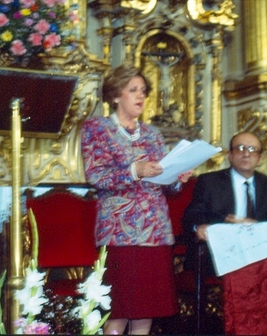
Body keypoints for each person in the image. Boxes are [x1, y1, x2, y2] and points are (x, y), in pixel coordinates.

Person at [80, 64, 191, 335]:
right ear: (115, 95)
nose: (140, 96)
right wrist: (134, 171)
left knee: (146, 310)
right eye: (133, 90)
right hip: (119, 231)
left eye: (143, 91)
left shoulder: (152, 134)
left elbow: (164, 185)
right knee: (118, 309)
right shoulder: (97, 128)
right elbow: (96, 176)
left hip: (155, 230)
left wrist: (177, 177)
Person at [182, 132, 267, 277]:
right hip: (217, 253)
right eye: (240, 148)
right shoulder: (209, 182)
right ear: (230, 155)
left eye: (252, 150)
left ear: (260, 159)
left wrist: (254, 225)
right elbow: (191, 216)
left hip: (257, 253)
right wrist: (199, 227)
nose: (246, 154)